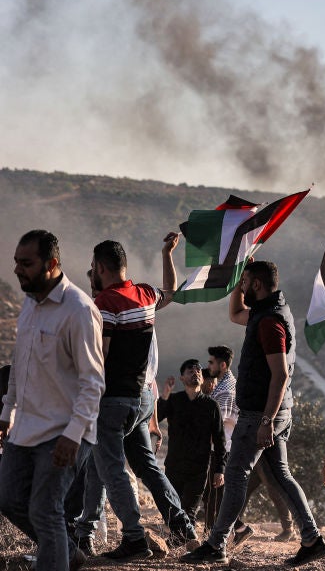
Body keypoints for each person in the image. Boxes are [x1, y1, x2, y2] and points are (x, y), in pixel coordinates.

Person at [183, 261, 325, 565]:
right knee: (281, 475)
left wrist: (266, 420)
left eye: (246, 281)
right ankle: (312, 538)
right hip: (272, 411)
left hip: (261, 414)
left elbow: (280, 375)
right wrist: (238, 280)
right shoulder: (269, 311)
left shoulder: (268, 322)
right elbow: (235, 314)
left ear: (258, 285)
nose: (243, 286)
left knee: (235, 475)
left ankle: (217, 544)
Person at [79, 236, 198, 560]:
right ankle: (183, 526)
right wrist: (165, 254)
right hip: (144, 399)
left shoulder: (104, 304)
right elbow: (170, 291)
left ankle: (133, 538)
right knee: (139, 465)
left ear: (101, 268)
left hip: (113, 401)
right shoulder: (145, 293)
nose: (92, 272)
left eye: (93, 268)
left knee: (111, 468)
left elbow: (99, 359)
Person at [0, 229, 104, 571]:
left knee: (45, 511)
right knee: (10, 499)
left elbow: (93, 382)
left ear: (52, 264)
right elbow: (20, 364)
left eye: (26, 263)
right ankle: (65, 550)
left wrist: (73, 434)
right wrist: (7, 411)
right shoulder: (30, 304)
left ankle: (57, 553)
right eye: (16, 262)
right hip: (26, 426)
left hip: (63, 431)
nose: (17, 270)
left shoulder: (78, 310)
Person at [158, 359, 227, 524]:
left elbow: (219, 439)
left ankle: (186, 545)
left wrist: (220, 470)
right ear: (182, 378)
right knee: (172, 510)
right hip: (174, 465)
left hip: (199, 469)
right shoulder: (174, 400)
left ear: (202, 379)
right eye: (190, 371)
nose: (195, 373)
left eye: (198, 371)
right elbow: (158, 416)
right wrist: (165, 394)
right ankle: (179, 543)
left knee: (189, 512)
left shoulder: (211, 405)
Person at [204, 345, 236, 531]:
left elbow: (217, 425)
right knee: (213, 496)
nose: (208, 366)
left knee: (214, 498)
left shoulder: (225, 391)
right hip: (222, 447)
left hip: (220, 449)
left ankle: (214, 537)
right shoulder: (225, 384)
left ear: (222, 365)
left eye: (211, 362)